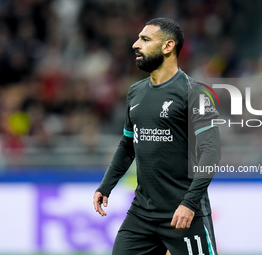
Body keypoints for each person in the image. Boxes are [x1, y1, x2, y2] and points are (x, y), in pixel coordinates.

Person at [93, 17, 221, 255]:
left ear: (168, 46)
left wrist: (189, 203)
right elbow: (127, 145)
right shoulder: (135, 92)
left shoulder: (196, 93)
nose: (135, 44)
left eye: (145, 39)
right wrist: (106, 185)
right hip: (142, 215)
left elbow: (211, 153)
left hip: (184, 214)